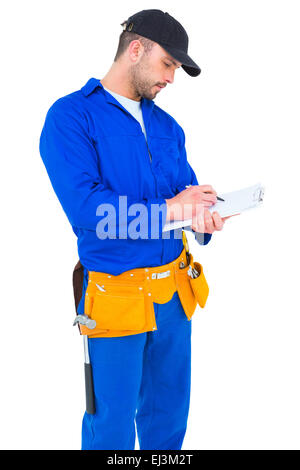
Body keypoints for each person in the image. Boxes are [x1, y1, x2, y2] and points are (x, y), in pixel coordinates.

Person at [39, 9, 230, 450]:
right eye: (168, 64)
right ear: (136, 48)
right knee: (111, 426)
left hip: (173, 295)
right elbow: (90, 211)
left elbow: (182, 200)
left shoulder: (167, 126)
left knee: (168, 417)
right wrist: (170, 209)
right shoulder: (71, 117)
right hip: (115, 297)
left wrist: (204, 218)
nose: (171, 79)